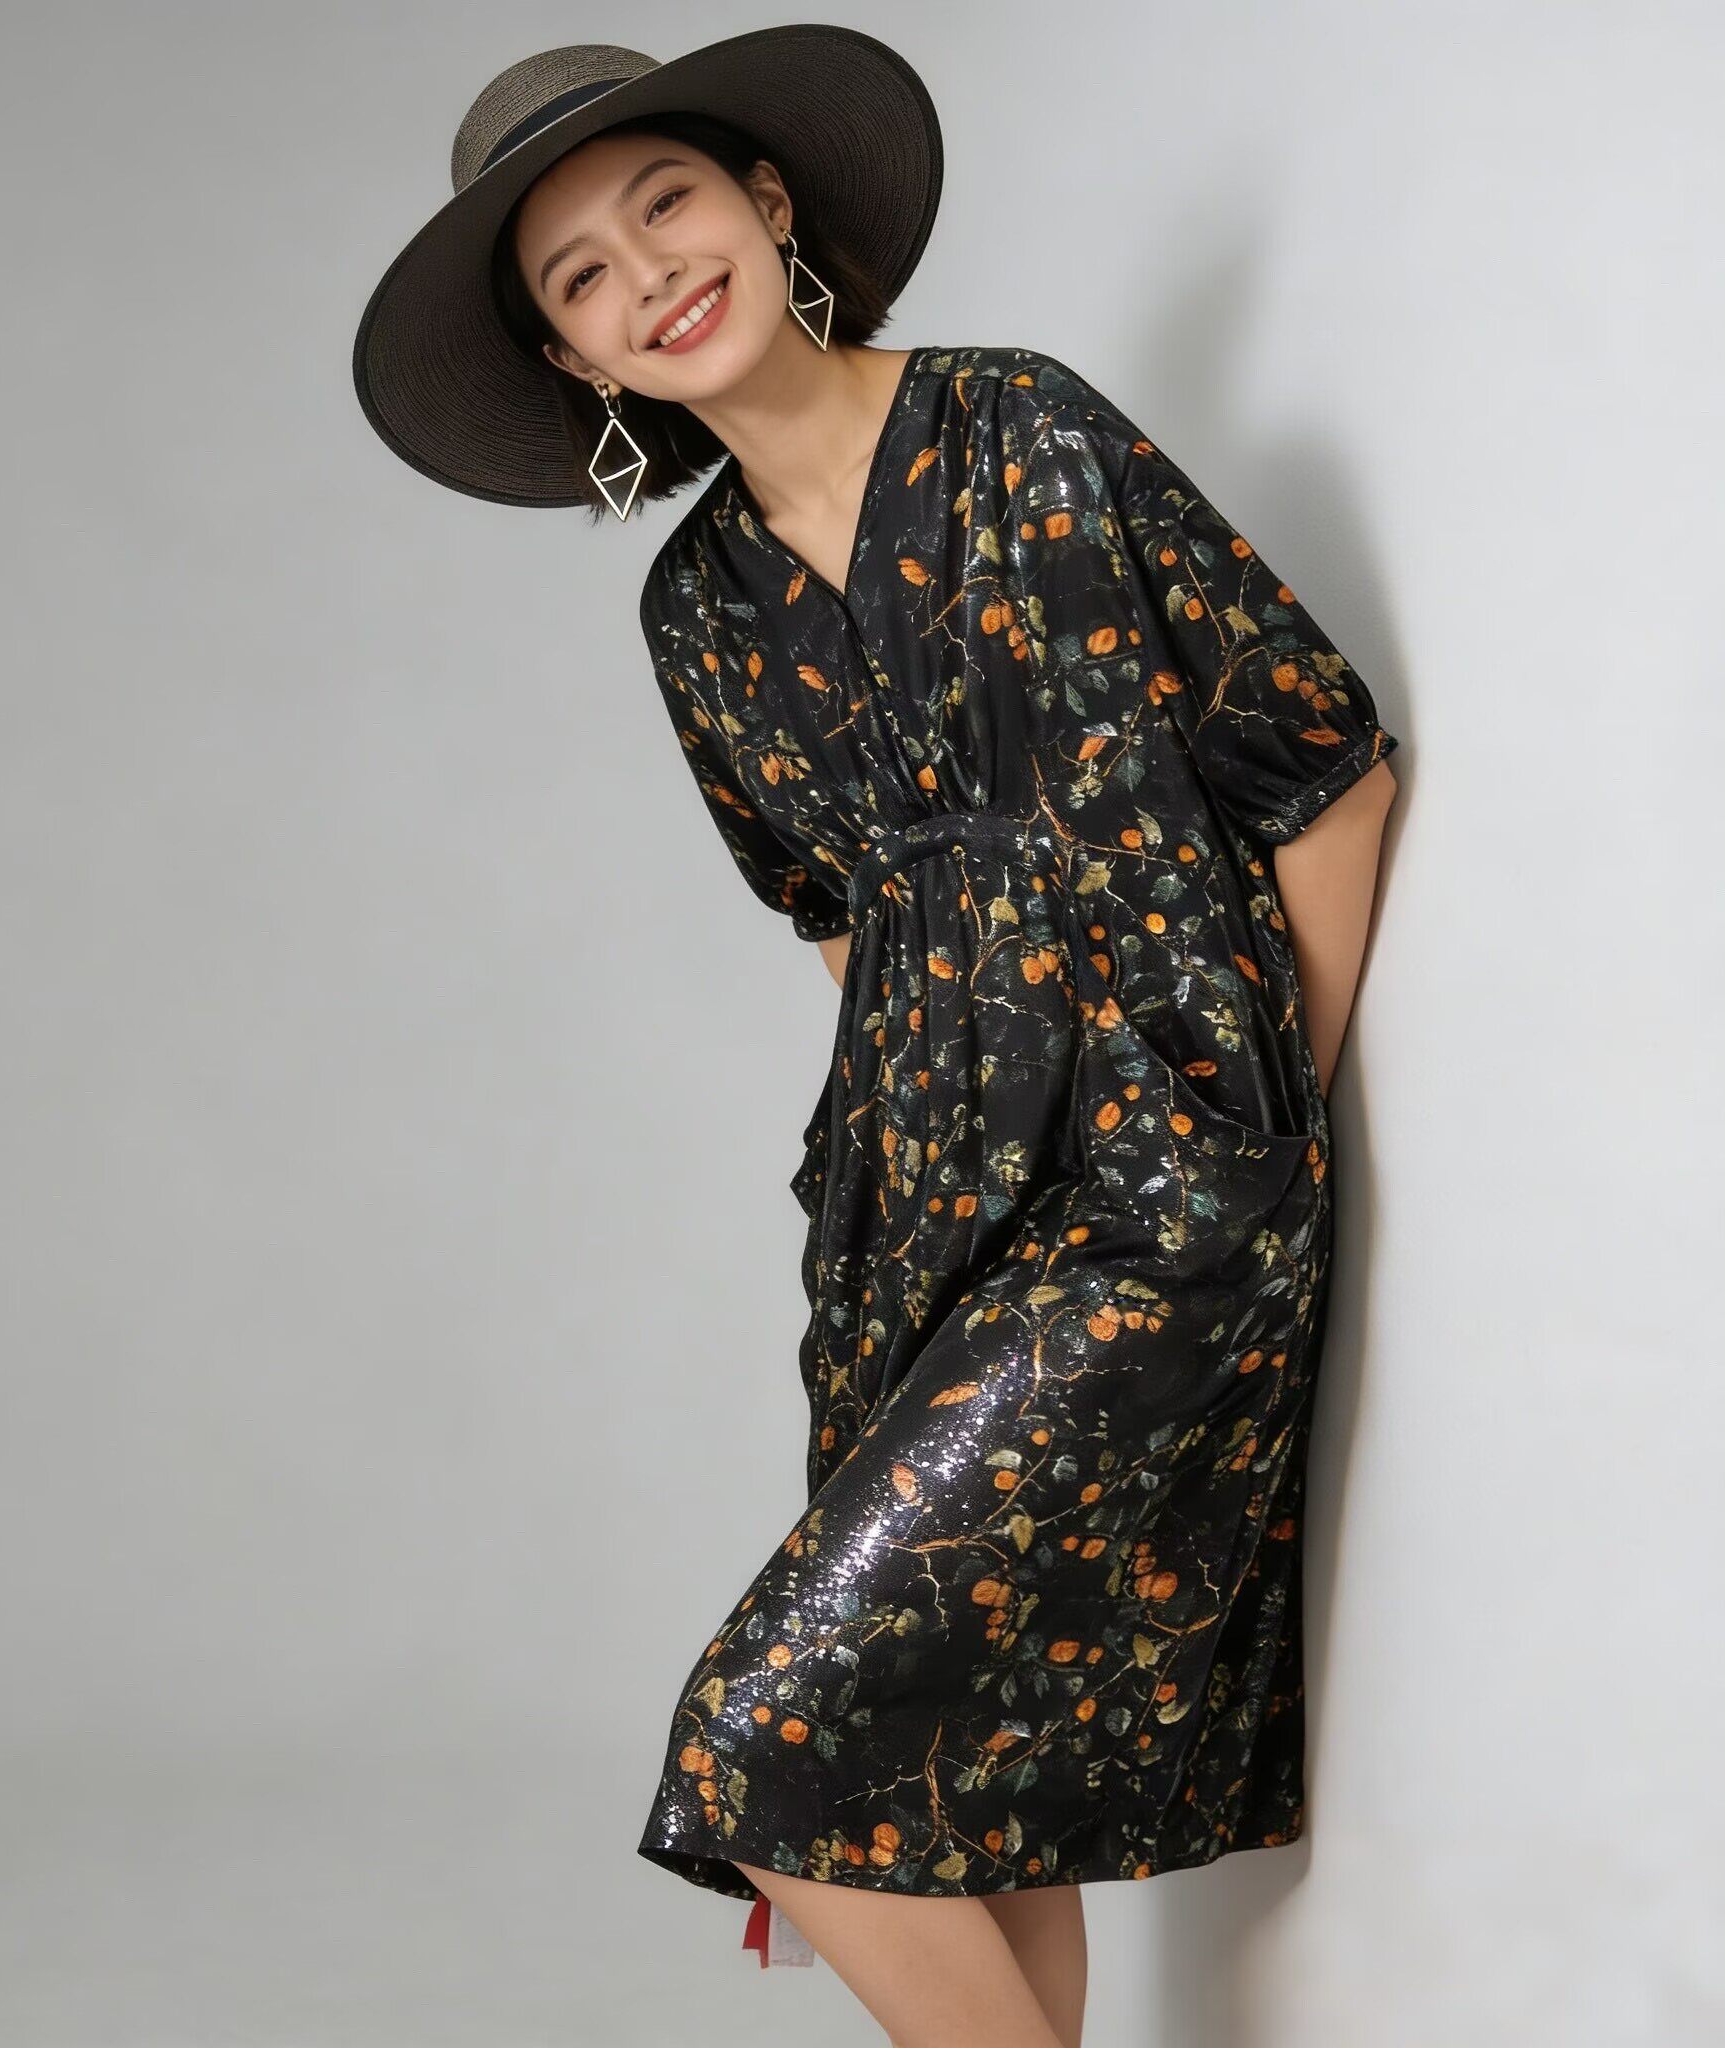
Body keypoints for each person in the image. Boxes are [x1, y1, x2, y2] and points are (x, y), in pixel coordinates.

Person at [354, 31, 1400, 2048]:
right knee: (962, 1813)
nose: (649, 274)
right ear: (577, 360)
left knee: (767, 1757)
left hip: (1160, 1202)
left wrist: (1252, 1130)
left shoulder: (1022, 428)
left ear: (766, 200)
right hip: (905, 1237)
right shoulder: (698, 614)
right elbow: (844, 925)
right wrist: (912, 1206)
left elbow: (1322, 769)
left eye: (664, 202)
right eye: (581, 276)